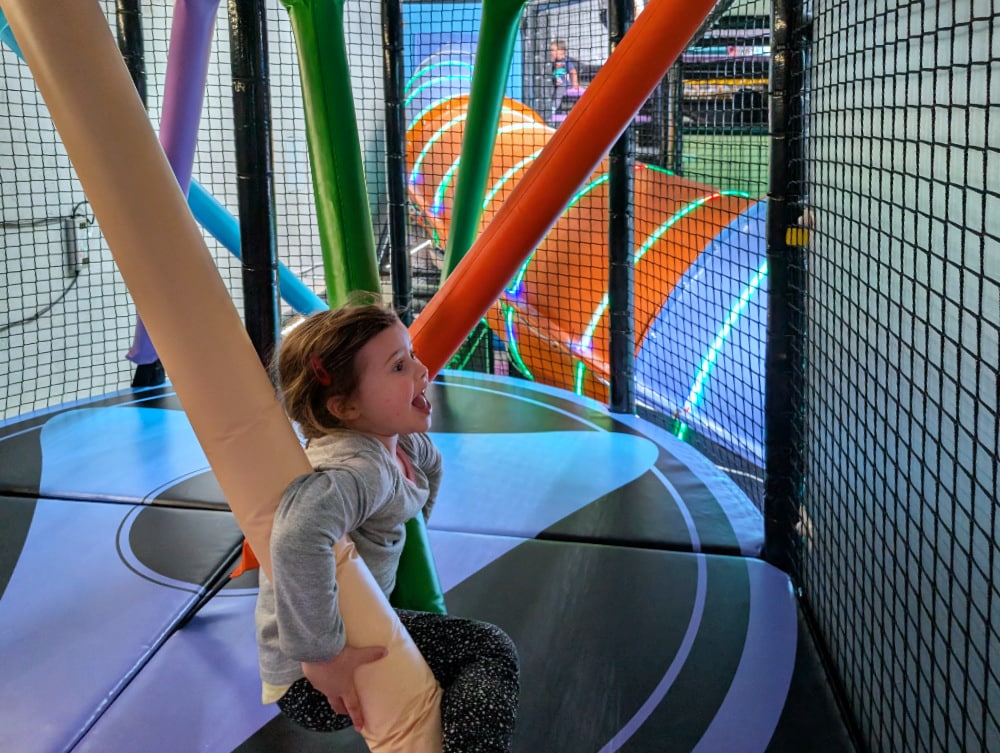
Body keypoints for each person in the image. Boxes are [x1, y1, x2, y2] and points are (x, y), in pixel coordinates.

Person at [255, 299, 520, 752]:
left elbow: (429, 470)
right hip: (314, 676)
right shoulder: (360, 468)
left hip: (356, 632)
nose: (421, 369)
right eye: (399, 366)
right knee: (488, 649)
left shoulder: (407, 448)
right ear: (345, 408)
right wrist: (323, 657)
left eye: (412, 353)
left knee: (460, 676)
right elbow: (297, 534)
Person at [549, 38, 579, 120]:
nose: (551, 52)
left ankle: (553, 108)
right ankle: (548, 106)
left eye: (554, 50)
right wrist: (551, 61)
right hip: (555, 83)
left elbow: (573, 72)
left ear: (562, 51)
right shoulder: (553, 61)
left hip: (564, 84)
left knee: (559, 92)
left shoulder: (566, 61)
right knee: (550, 91)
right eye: (551, 50)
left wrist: (575, 84)